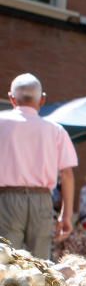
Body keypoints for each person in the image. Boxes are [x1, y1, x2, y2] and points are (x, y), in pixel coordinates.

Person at [0, 73, 77, 258]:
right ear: (42, 100)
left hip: (6, 199)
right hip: (42, 200)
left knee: (5, 263)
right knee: (40, 265)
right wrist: (66, 215)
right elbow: (67, 174)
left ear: (11, 98)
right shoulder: (56, 130)